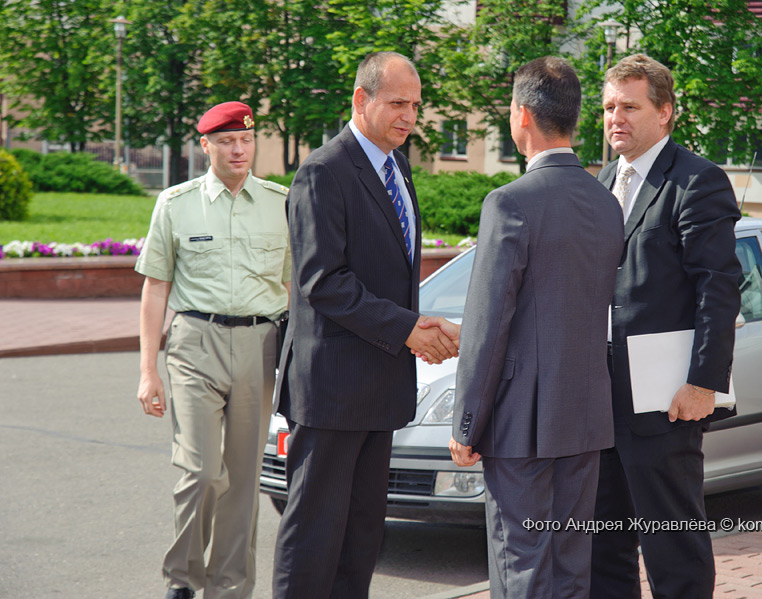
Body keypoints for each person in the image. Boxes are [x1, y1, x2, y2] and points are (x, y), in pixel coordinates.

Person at [272, 51, 459, 599]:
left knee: (360, 537)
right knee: (314, 535)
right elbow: (322, 280)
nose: (410, 116)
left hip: (380, 383)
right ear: (361, 99)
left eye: (416, 105)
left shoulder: (397, 167)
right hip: (332, 390)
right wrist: (407, 329)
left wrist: (414, 324)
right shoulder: (323, 171)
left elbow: (388, 272)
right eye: (398, 103)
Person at [449, 56, 624, 598]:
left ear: (522, 114)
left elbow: (486, 324)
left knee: (520, 566)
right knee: (570, 569)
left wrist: (466, 424)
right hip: (586, 415)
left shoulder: (509, 202)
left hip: (520, 421)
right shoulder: (606, 202)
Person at [590, 54, 742, 599]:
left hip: (665, 401)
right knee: (602, 547)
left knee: (672, 547)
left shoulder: (697, 181)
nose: (615, 118)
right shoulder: (604, 179)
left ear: (665, 112)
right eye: (609, 107)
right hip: (600, 397)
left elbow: (718, 288)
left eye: (629, 107)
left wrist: (704, 383)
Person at [135, 101, 291, 599]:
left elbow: (294, 287)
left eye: (246, 139)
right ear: (206, 146)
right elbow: (155, 287)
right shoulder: (175, 203)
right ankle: (182, 579)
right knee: (201, 471)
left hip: (260, 345)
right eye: (226, 141)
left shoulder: (281, 203)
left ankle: (229, 589)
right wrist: (147, 371)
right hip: (195, 344)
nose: (238, 149)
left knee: (243, 481)